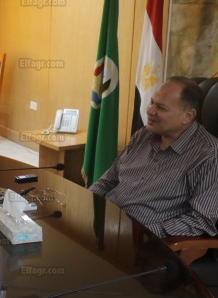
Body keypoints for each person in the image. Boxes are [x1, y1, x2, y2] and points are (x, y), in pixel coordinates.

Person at [90, 78, 218, 237]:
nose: (150, 110)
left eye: (161, 108)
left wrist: (143, 232)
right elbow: (107, 181)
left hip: (144, 241)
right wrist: (87, 206)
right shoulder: (143, 135)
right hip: (104, 225)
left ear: (188, 116)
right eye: (152, 102)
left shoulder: (209, 155)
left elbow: (201, 220)